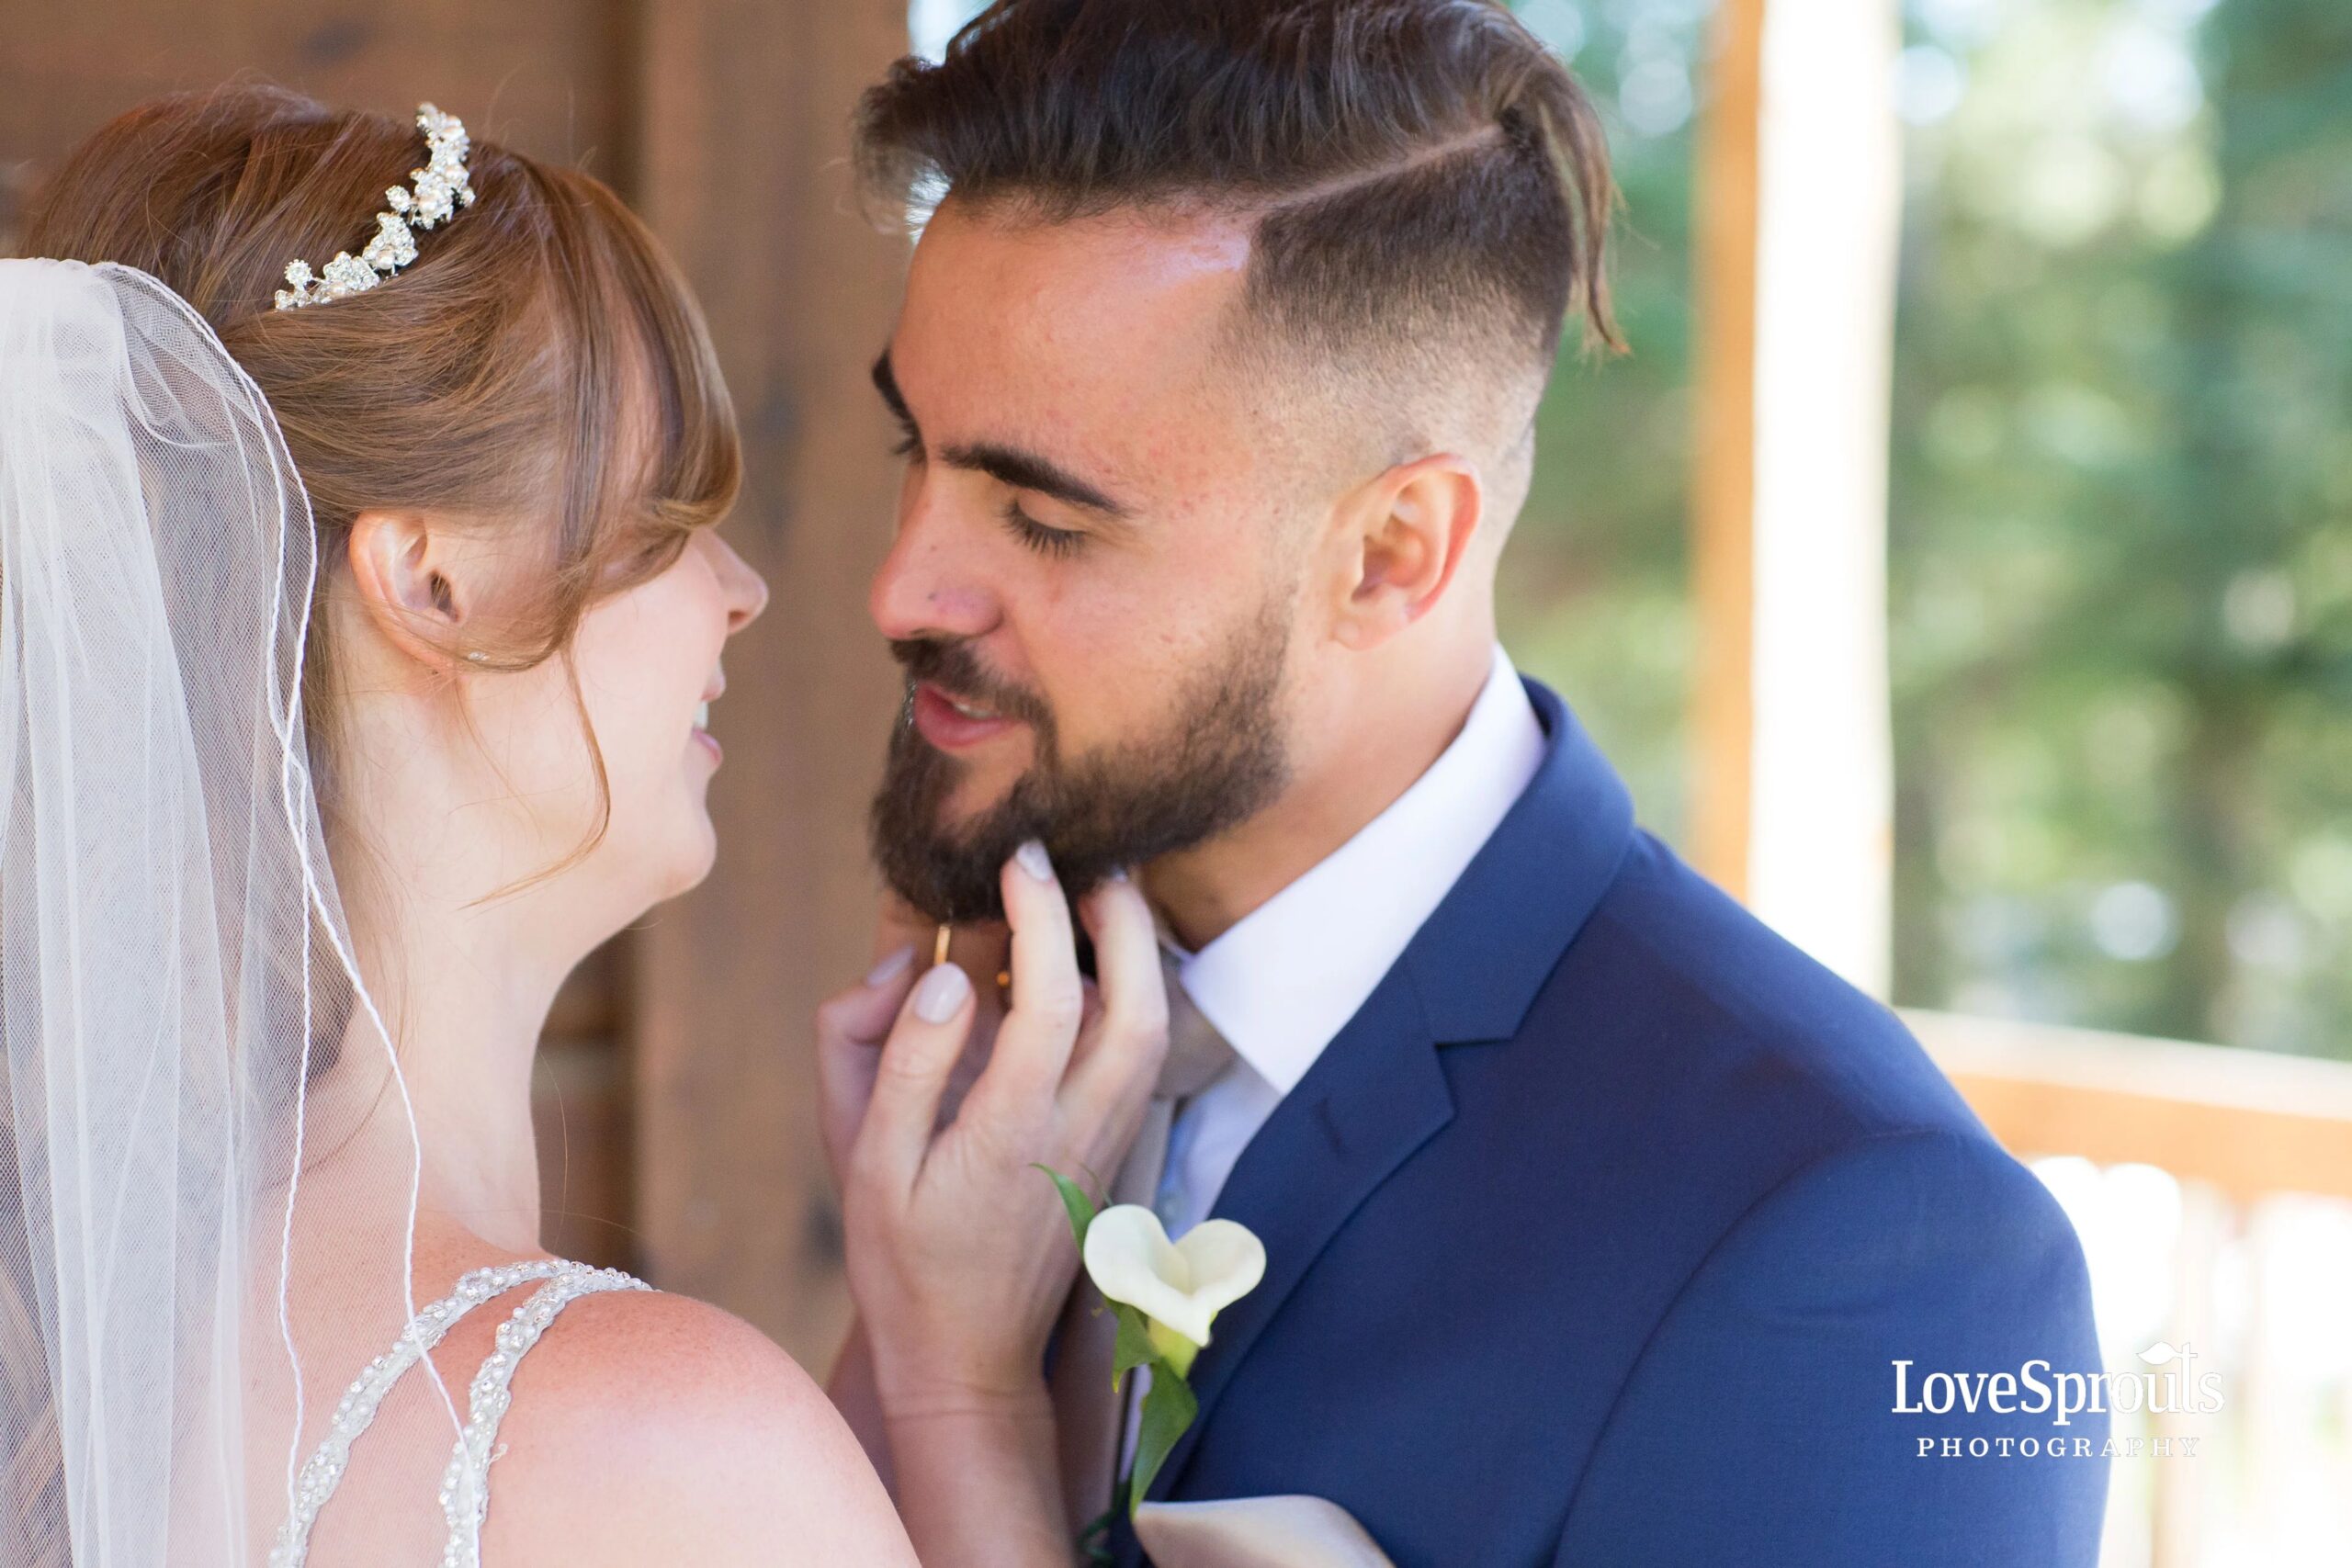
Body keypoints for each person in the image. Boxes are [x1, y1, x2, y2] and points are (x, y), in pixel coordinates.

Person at [820, 2, 2112, 1564]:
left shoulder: (1874, 1251)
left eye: (1046, 520)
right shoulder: (990, 1015)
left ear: (1390, 553)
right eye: (914, 451)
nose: (904, 589)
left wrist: (963, 1401)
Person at [0, 85, 1164, 1567]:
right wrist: (962, 1393)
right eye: (668, 515)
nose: (739, 591)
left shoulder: (86, 1369)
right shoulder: (654, 1452)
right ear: (434, 585)